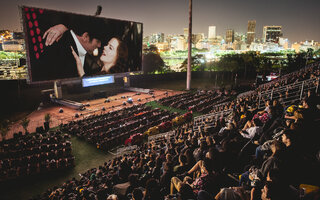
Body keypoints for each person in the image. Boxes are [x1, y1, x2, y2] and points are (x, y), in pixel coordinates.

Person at [32, 17, 103, 81]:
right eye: (98, 41)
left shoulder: (75, 46)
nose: (99, 45)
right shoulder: (62, 48)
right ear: (85, 37)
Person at [44, 24, 128, 77]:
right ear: (85, 37)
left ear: (118, 57)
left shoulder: (111, 78)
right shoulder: (92, 69)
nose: (102, 47)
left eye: (110, 48)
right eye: (98, 41)